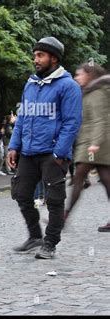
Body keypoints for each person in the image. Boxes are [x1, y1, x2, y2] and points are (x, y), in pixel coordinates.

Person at [7, 36, 82, 259]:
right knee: (21, 194)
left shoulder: (69, 86)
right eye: (35, 55)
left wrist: (60, 153)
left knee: (55, 200)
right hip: (28, 153)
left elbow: (72, 122)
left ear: (54, 58)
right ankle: (35, 236)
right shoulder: (30, 84)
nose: (35, 60)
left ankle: (50, 244)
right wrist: (13, 145)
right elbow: (22, 118)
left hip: (53, 154)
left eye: (40, 55)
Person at [67, 63, 110, 232]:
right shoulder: (91, 92)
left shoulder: (97, 93)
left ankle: (63, 217)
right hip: (98, 144)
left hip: (94, 145)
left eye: (79, 74)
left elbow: (100, 120)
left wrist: (95, 144)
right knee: (106, 182)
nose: (77, 77)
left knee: (78, 179)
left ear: (89, 75)